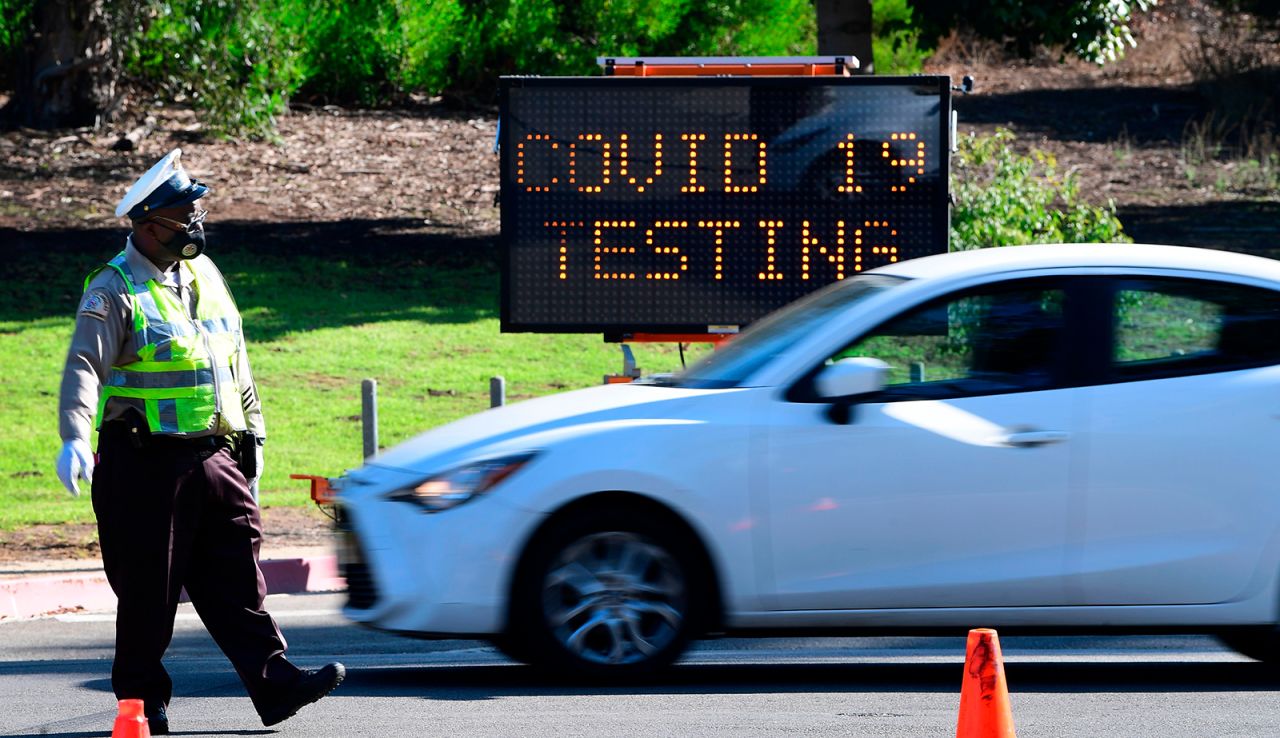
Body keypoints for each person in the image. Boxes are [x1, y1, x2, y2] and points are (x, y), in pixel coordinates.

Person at [55, 149, 344, 734]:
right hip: (144, 462)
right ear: (147, 223)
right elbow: (84, 366)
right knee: (148, 591)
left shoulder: (206, 276)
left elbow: (235, 362)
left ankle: (277, 683)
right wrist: (74, 436)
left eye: (197, 210)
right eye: (184, 214)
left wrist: (253, 437)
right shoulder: (113, 289)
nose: (196, 223)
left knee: (240, 573)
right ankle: (140, 703)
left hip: (216, 456)